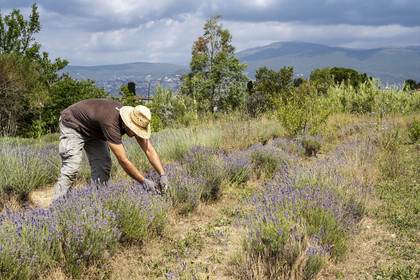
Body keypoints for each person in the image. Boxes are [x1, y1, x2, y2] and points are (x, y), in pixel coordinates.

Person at [53, 98, 169, 199]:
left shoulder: (135, 119)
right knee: (72, 167)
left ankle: (96, 201)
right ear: (126, 124)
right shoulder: (111, 124)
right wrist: (143, 181)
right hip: (73, 124)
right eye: (136, 130)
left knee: (103, 165)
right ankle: (58, 206)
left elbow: (148, 149)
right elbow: (123, 160)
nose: (137, 134)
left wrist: (163, 175)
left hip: (94, 130)